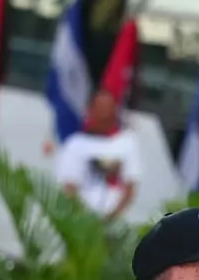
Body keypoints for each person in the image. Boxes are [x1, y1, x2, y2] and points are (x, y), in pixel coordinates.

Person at [52, 90, 141, 221]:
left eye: (108, 109)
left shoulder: (127, 143)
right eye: (100, 108)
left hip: (116, 224)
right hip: (80, 221)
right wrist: (85, 220)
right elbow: (68, 187)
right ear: (91, 111)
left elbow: (130, 187)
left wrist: (111, 219)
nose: (104, 114)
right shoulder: (75, 145)